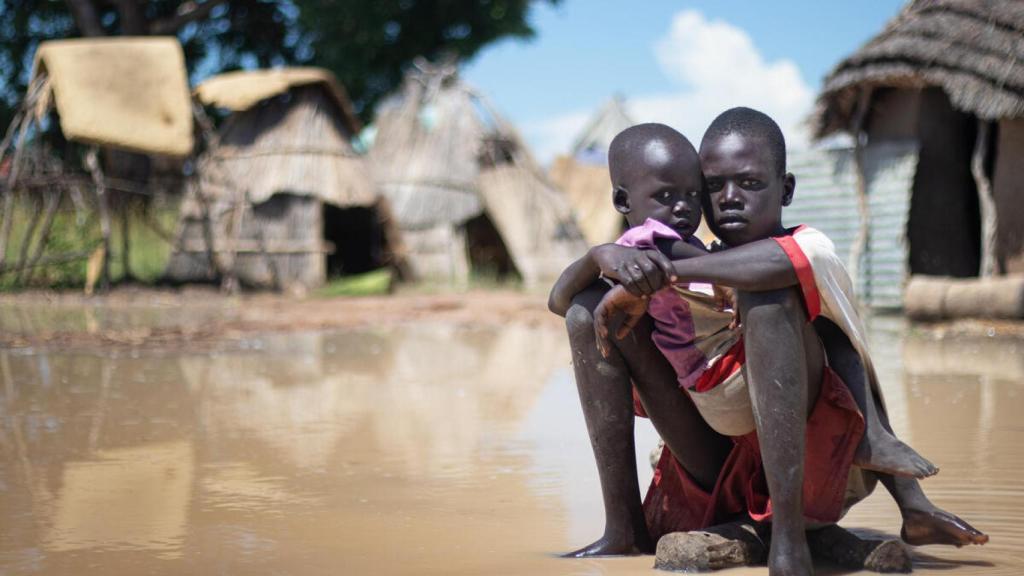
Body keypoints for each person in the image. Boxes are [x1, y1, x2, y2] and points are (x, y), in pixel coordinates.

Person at [589, 108, 987, 575]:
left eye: (750, 184)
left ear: (787, 189)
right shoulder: (695, 258)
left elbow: (774, 267)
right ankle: (622, 528)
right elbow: (564, 299)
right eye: (714, 187)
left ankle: (791, 540)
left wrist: (664, 272)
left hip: (820, 458)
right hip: (721, 448)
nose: (730, 199)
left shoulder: (810, 244)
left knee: (776, 299)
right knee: (584, 310)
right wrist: (601, 255)